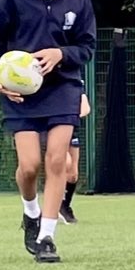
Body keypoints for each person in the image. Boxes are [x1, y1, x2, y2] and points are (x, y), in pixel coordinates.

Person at [0, 0, 97, 263]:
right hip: (21, 94)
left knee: (57, 159)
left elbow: (87, 46)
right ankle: (30, 212)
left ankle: (47, 237)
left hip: (64, 87)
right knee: (29, 166)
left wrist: (62, 54)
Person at [59, 91, 90, 225]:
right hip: (53, 128)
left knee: (73, 175)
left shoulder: (74, 84)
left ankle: (64, 206)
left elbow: (85, 107)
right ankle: (51, 205)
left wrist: (72, 116)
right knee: (65, 163)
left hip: (71, 128)